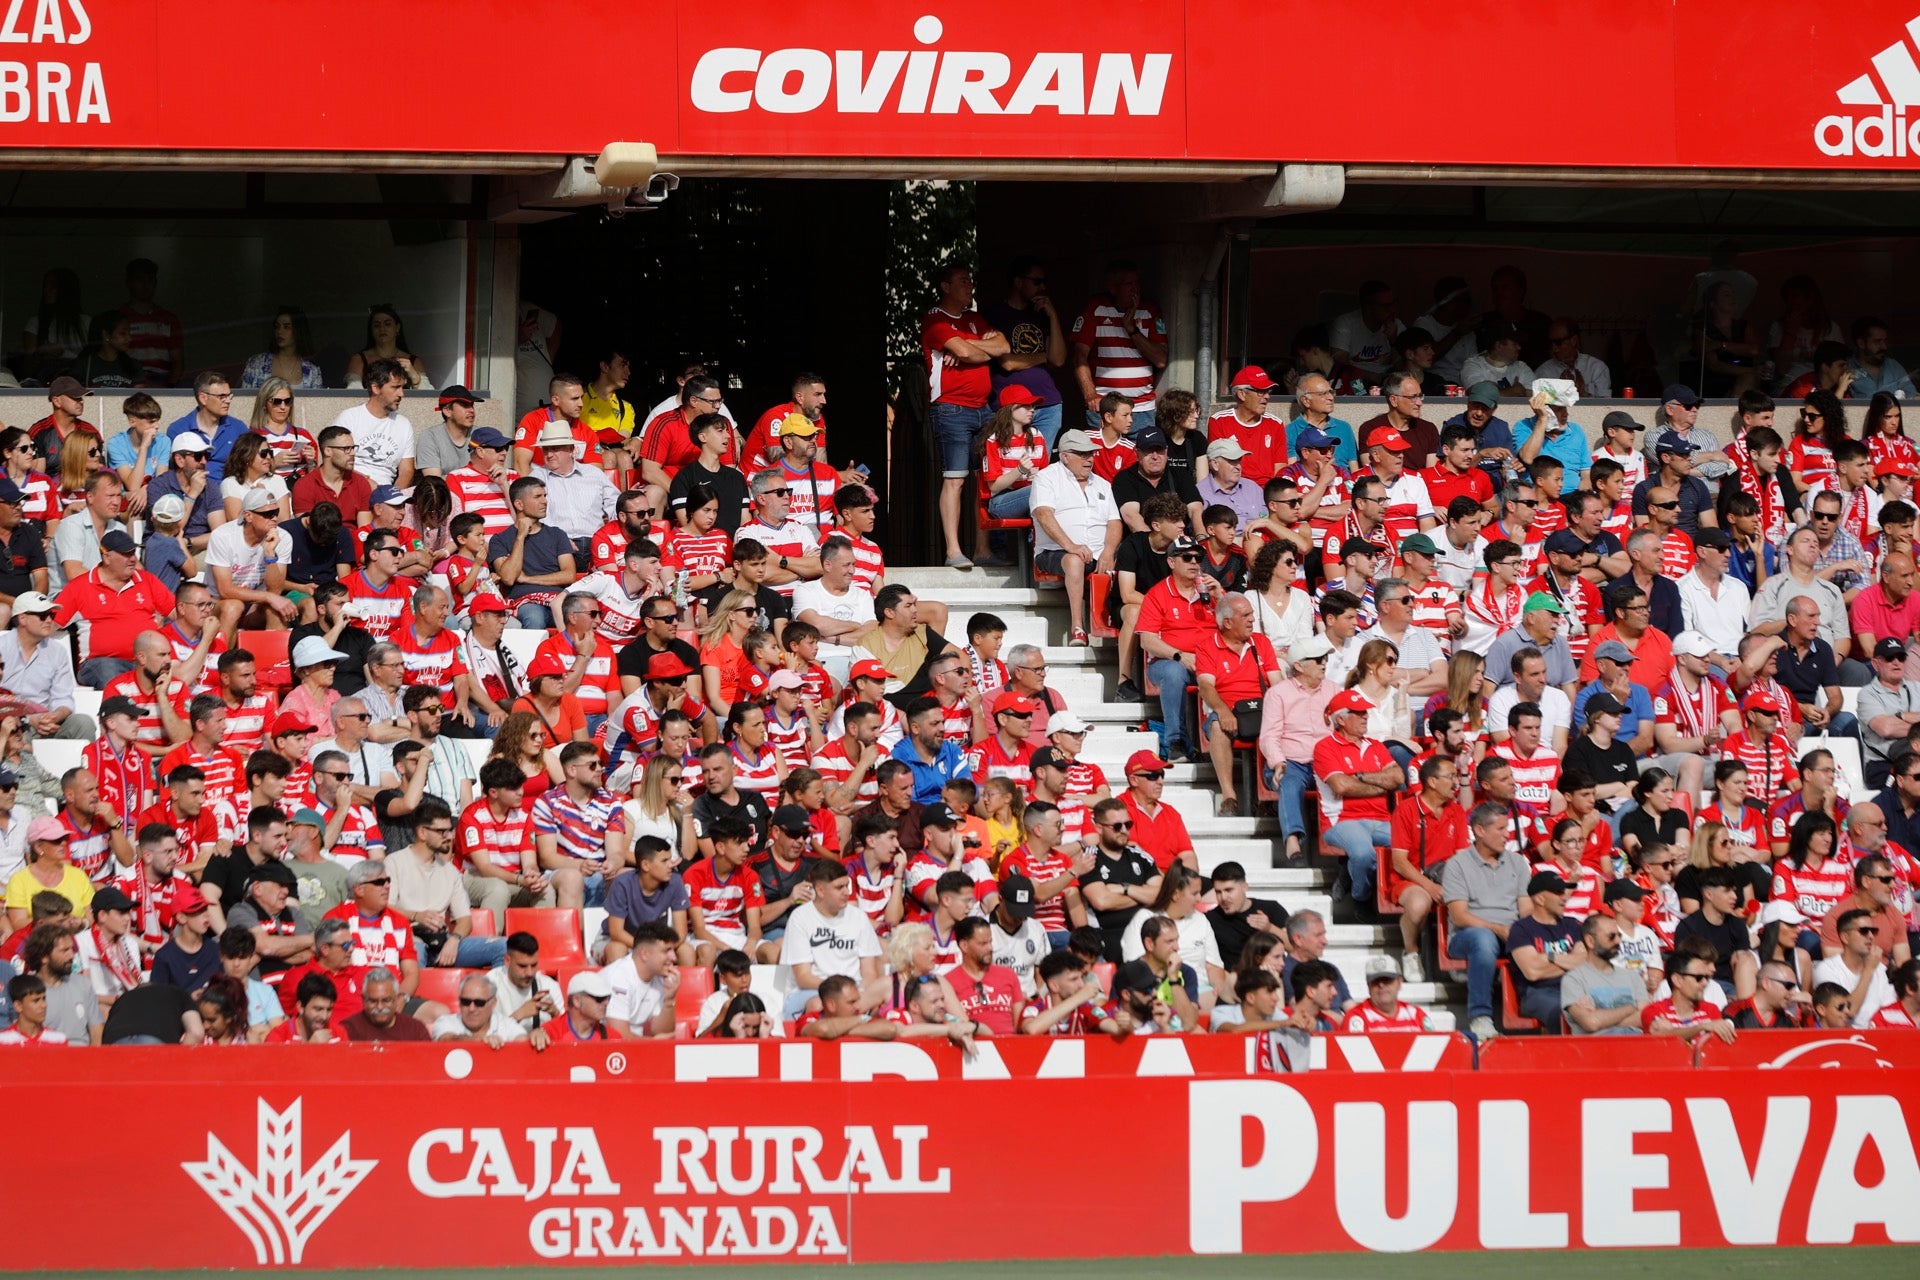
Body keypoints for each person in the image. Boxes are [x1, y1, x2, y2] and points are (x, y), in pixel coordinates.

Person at [1444, 801, 1534, 1041]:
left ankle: (1537, 1008)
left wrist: (1522, 929)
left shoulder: (1517, 862)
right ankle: (1480, 1016)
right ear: (1480, 830)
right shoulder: (1457, 865)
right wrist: (1497, 929)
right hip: (1468, 934)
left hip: (1510, 931)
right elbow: (1459, 915)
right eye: (1501, 829)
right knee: (1484, 940)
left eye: (1507, 828)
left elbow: (1526, 907)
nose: (1507, 835)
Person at [1029, 429, 1119, 645]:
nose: (1089, 459)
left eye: (1091, 454)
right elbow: (1043, 514)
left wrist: (1108, 552)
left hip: (1099, 553)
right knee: (1074, 560)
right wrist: (1071, 546)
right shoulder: (1046, 478)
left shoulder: (1103, 484)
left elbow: (1114, 522)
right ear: (1065, 456)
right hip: (1055, 551)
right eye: (1082, 454)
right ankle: (1078, 627)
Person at [338, 966, 431, 1042]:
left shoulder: (416, 1030)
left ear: (397, 999)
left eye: (386, 1000)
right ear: (363, 999)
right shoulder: (348, 1029)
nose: (380, 1007)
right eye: (373, 1001)